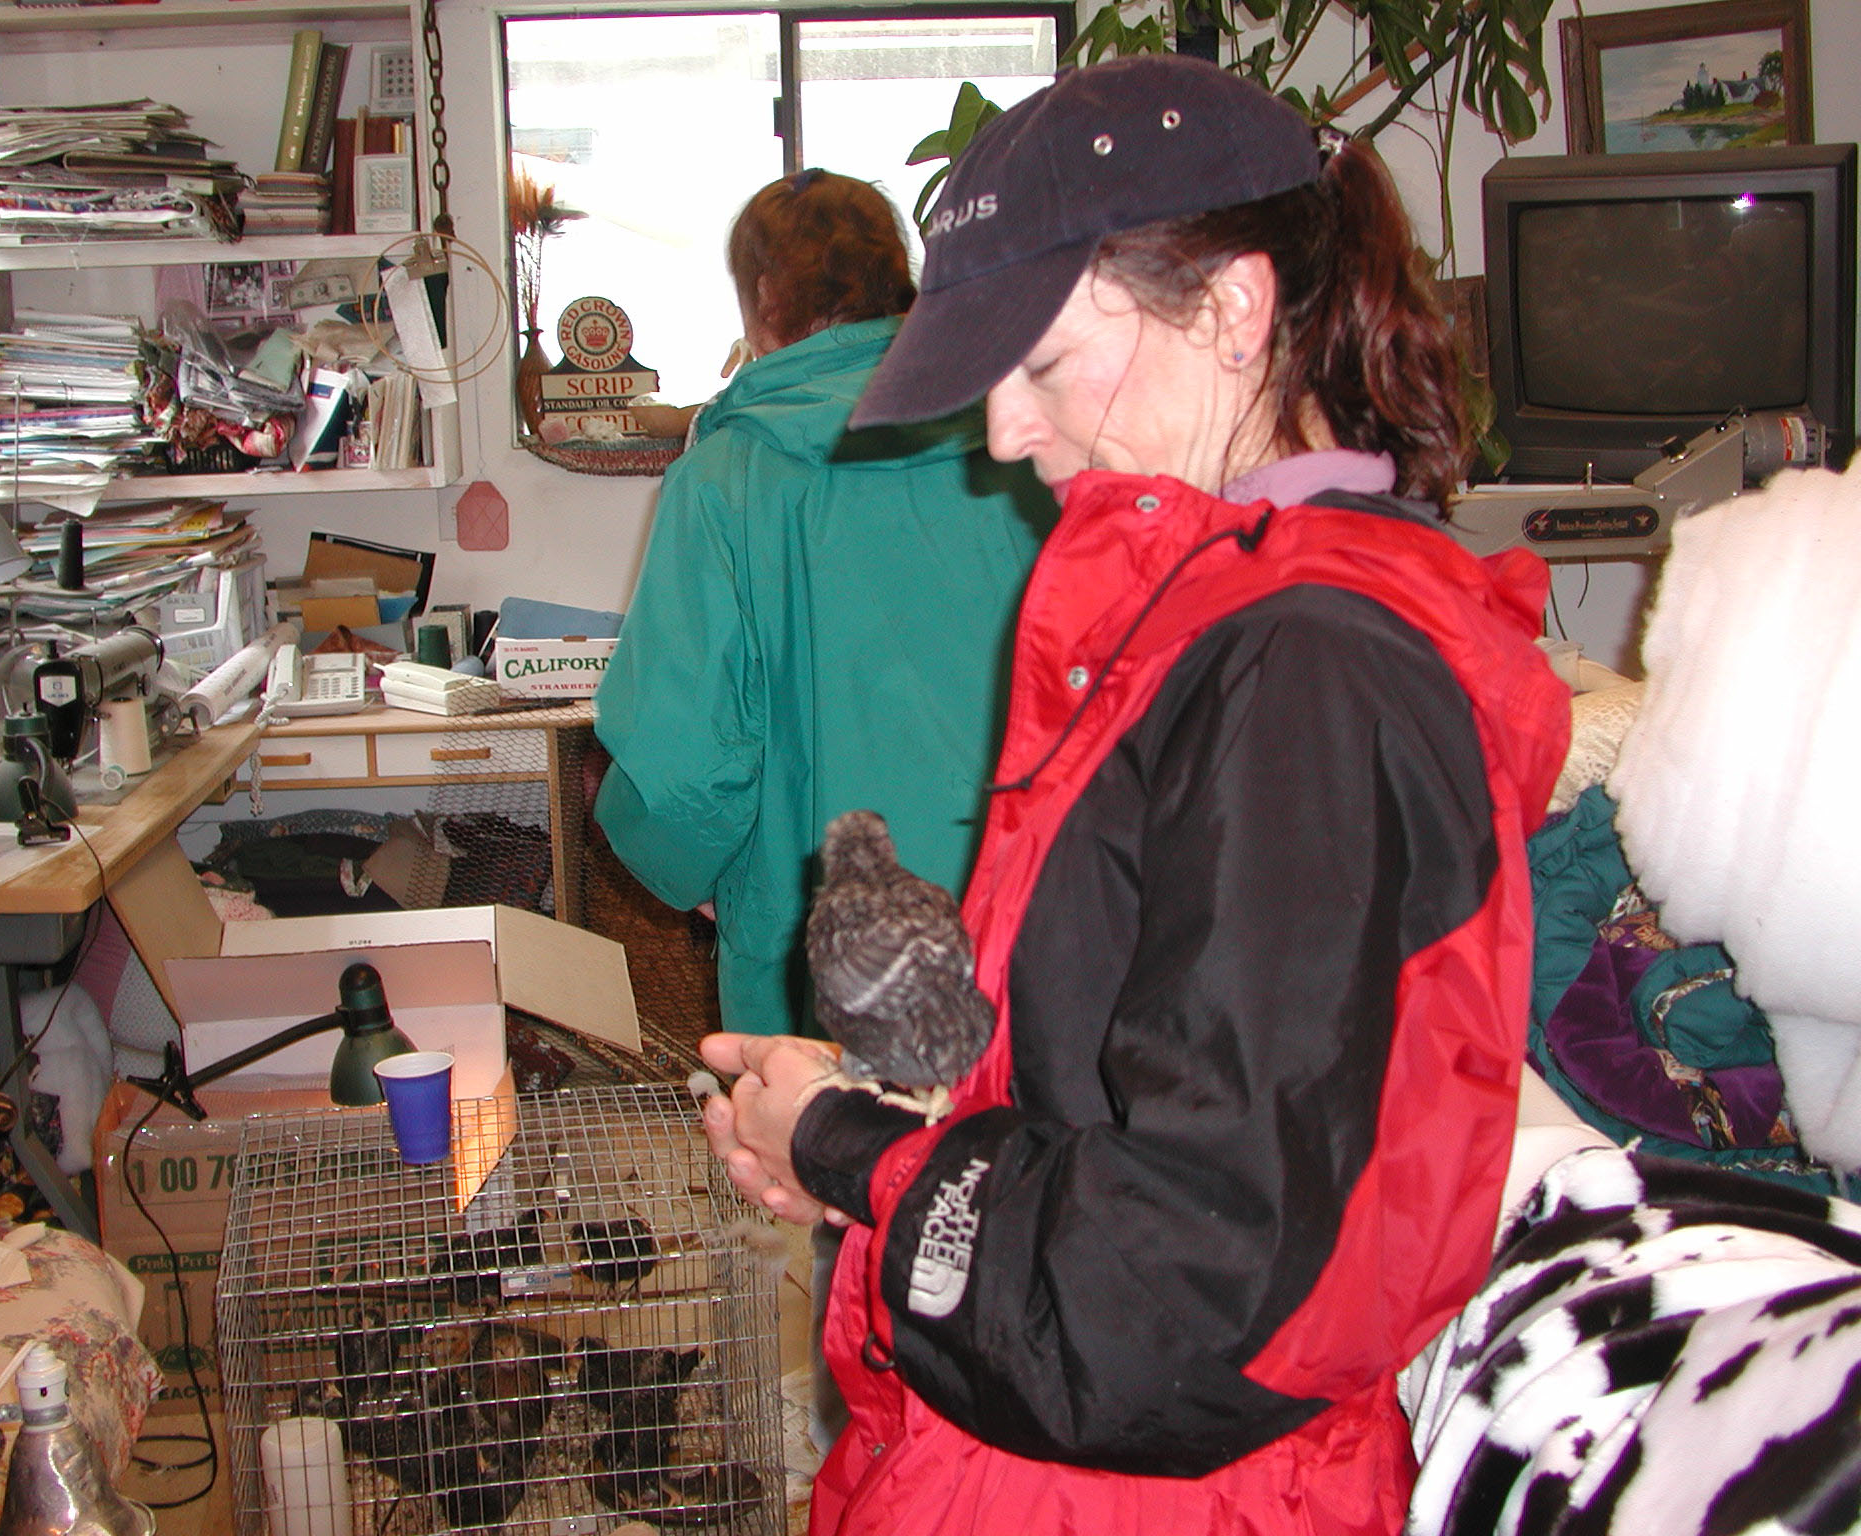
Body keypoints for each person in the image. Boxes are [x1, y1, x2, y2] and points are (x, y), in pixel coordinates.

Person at [700, 56, 1572, 1535]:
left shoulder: (1305, 673)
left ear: (1230, 310)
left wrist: (851, 1151)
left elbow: (1166, 1294)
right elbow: (1129, 1084)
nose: (1002, 434)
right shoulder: (1212, 619)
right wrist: (885, 1132)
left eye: (1042, 366)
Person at [592, 168, 1051, 1037]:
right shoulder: (1025, 439)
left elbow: (683, 764)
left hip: (826, 941)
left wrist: (691, 874)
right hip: (1025, 907)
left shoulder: (725, 480)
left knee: (826, 1125)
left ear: (764, 297)